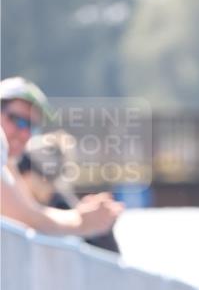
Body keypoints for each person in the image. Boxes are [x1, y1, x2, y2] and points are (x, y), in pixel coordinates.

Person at [1, 76, 123, 238]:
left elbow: (30, 212)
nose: (25, 133)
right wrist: (81, 220)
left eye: (32, 126)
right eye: (18, 120)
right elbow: (26, 218)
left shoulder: (9, 163)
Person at [16, 131, 121, 254]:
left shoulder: (63, 208)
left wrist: (84, 222)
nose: (19, 176)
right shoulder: (62, 209)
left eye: (24, 167)